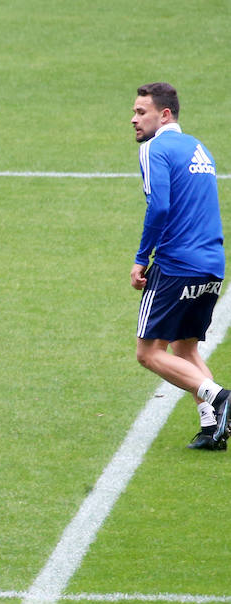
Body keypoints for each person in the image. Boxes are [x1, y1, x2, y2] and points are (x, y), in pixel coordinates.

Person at [128, 81, 228, 450]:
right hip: (212, 264)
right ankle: (211, 429)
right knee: (185, 350)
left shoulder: (156, 148)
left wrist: (142, 258)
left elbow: (160, 207)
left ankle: (218, 396)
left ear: (164, 114)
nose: (134, 120)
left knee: (148, 352)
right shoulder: (199, 148)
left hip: (176, 264)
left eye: (142, 112)